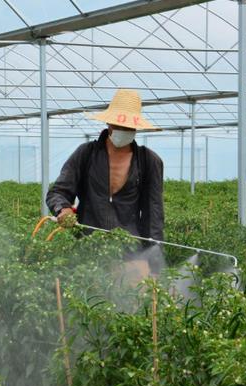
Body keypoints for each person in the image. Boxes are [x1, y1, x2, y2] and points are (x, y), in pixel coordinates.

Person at [46, 89, 164, 286]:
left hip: (131, 254)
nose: (123, 130)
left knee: (130, 309)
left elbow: (154, 214)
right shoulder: (86, 154)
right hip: (88, 250)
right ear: (108, 123)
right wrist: (63, 208)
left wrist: (154, 263)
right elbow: (57, 192)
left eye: (128, 126)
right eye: (119, 124)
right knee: (88, 304)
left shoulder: (148, 161)